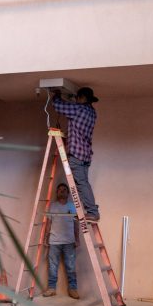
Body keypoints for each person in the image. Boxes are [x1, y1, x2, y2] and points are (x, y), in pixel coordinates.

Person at [52, 87, 100, 221]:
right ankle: (91, 211)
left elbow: (58, 106)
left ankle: (92, 212)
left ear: (83, 98)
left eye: (78, 98)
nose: (77, 100)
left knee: (82, 184)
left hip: (77, 155)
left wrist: (56, 95)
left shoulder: (78, 109)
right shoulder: (92, 112)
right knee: (84, 184)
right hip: (85, 155)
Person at [43, 183, 80, 299]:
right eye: (60, 190)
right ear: (57, 192)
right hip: (54, 241)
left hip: (69, 241)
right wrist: (46, 237)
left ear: (68, 193)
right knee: (53, 266)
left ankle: (73, 289)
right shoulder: (52, 206)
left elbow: (76, 223)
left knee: (71, 266)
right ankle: (51, 288)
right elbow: (48, 223)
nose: (62, 191)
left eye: (64, 190)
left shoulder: (72, 206)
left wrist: (77, 238)